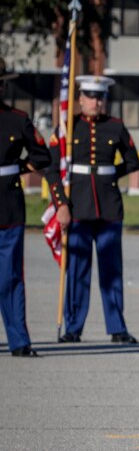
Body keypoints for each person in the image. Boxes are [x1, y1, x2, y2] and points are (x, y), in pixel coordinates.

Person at [45, 75, 139, 344]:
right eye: (90, 96)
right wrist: (60, 203)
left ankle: (117, 327)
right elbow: (51, 169)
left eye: (100, 97)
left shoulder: (116, 127)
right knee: (77, 269)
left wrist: (110, 175)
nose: (96, 102)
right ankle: (73, 327)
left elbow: (132, 162)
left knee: (112, 270)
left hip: (108, 207)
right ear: (80, 99)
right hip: (78, 206)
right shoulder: (67, 127)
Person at [0, 58, 52, 357]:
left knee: (10, 277)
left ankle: (19, 340)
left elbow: (41, 157)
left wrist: (16, 167)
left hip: (7, 207)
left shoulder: (18, 120)